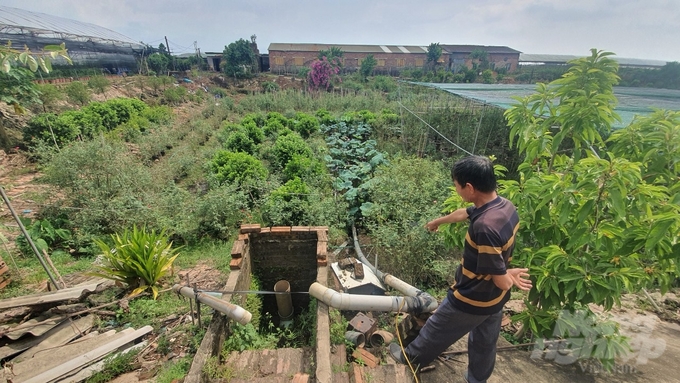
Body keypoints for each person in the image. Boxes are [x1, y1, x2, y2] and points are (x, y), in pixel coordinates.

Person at [390, 155, 532, 383]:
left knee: (437, 329)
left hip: (472, 297)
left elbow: (503, 281)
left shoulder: (485, 227)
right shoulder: (504, 206)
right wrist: (439, 220)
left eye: (456, 185)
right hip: (494, 300)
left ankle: (410, 358)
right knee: (484, 342)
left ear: (470, 187)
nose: (456, 189)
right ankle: (477, 379)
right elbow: (466, 213)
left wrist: (508, 275)